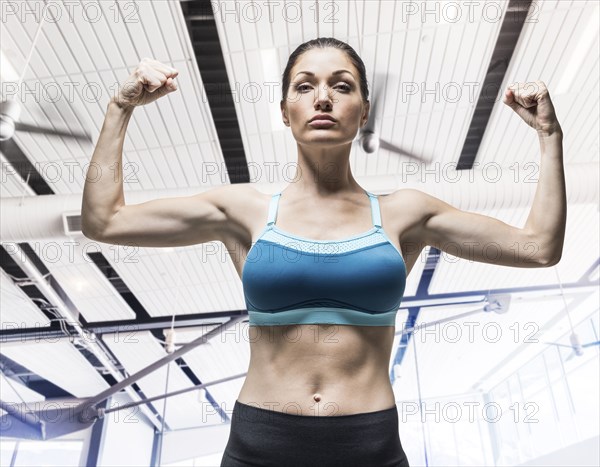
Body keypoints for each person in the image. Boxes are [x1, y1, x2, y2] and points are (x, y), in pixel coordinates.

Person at [81, 37, 566, 467]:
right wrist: (119, 107)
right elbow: (105, 222)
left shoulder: (405, 214)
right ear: (284, 110)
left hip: (369, 444)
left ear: (364, 109)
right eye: (305, 85)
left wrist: (549, 137)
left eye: (342, 85)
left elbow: (539, 248)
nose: (323, 98)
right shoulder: (243, 210)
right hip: (259, 444)